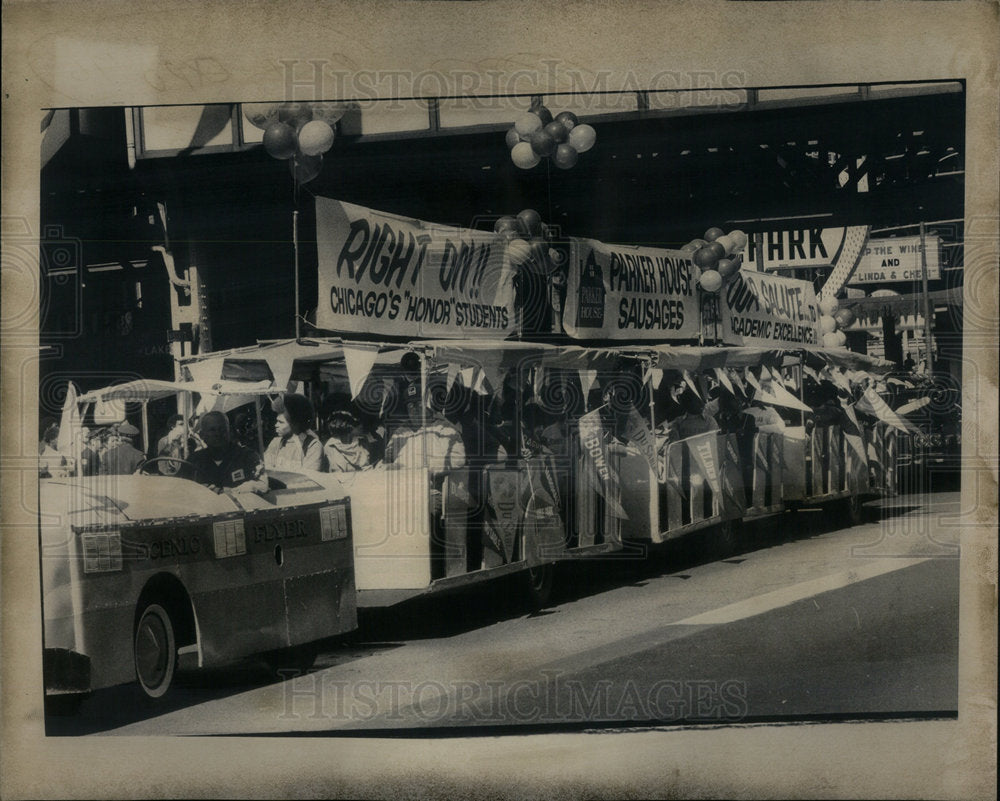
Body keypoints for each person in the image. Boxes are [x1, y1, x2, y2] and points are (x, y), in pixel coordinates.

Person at [187, 411, 267, 494]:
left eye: (222, 429)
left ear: (230, 432)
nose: (218, 434)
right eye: (212, 430)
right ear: (202, 435)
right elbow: (180, 487)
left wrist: (230, 491)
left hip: (238, 505)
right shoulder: (194, 460)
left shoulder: (247, 456)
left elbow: (262, 485)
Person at [263, 393, 326, 472]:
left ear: (295, 423)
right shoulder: (275, 443)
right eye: (277, 421)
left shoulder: (312, 446)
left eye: (281, 422)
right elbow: (266, 471)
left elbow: (308, 478)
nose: (276, 425)